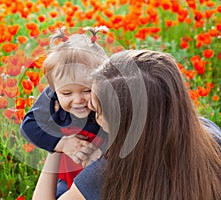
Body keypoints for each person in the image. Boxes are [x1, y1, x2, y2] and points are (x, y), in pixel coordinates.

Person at [32, 49, 221, 200]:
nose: (88, 107)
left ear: (121, 123)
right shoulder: (210, 136)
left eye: (96, 110)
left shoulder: (105, 175)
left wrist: (57, 143)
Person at [20, 26, 108, 197]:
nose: (77, 100)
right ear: (54, 89)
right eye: (67, 93)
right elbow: (29, 125)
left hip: (98, 178)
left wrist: (102, 155)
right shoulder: (53, 95)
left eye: (87, 90)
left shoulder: (107, 103)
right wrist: (62, 144)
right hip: (65, 179)